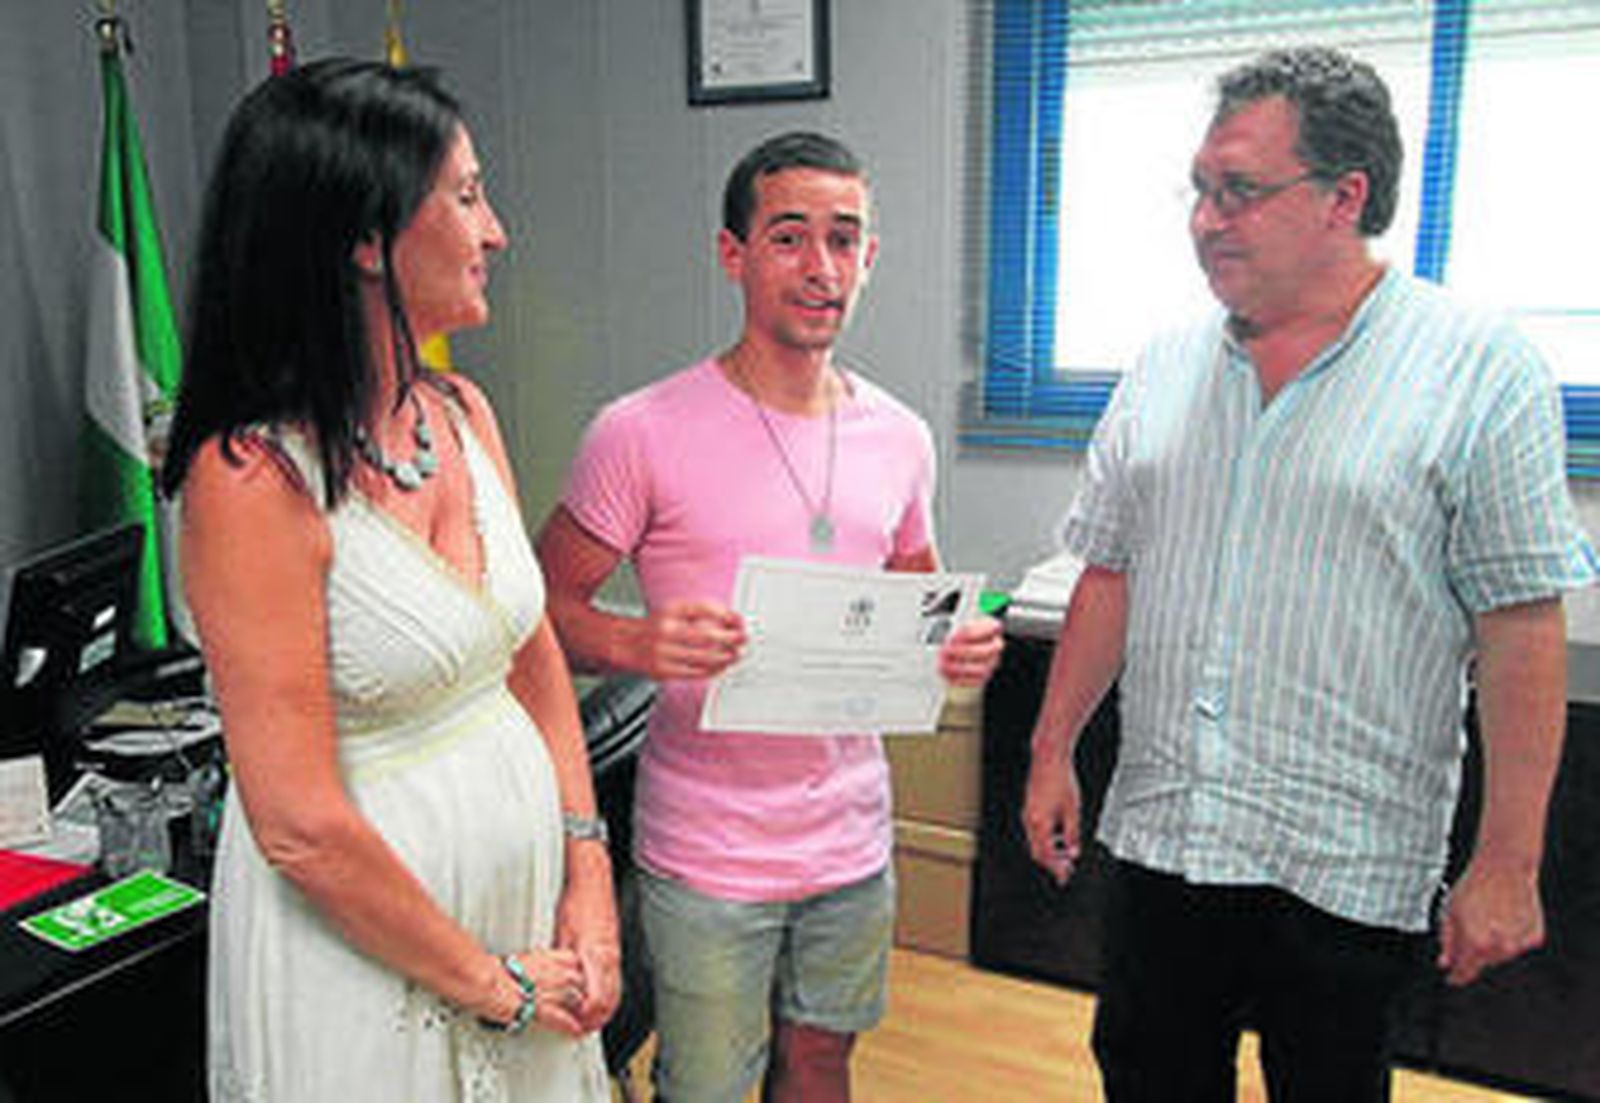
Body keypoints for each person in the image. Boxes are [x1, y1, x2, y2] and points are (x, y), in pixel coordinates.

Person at [1021, 45, 1598, 1102]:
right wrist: (1053, 746)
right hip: (1168, 830)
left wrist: (1508, 862)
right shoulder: (1163, 365)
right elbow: (1109, 570)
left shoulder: (1479, 369)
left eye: (1238, 190)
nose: (1206, 219)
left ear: (1345, 196)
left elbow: (1520, 624)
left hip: (1344, 857)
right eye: (1198, 189)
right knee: (1146, 1078)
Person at [161, 59, 615, 1101]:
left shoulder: (461, 411)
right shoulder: (252, 477)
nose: (496, 231)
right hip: (372, 955)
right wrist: (490, 982)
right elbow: (297, 823)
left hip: (523, 920)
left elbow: (533, 656)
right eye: (466, 196)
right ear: (364, 239)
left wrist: (587, 873)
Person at [536, 131, 1003, 1102]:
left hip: (851, 837)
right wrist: (639, 641)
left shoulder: (900, 437)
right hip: (707, 848)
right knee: (708, 1082)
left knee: (821, 1062)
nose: (820, 266)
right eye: (789, 237)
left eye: (844, 238)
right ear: (733, 253)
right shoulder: (640, 430)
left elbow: (917, 606)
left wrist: (956, 647)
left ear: (869, 257)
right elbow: (539, 608)